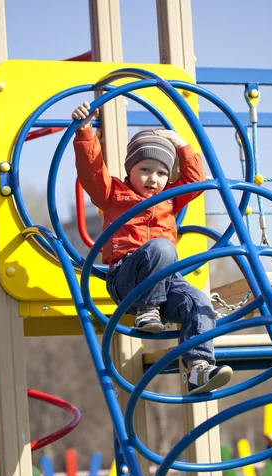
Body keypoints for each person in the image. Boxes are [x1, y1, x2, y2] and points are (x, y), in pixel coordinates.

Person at [72, 101, 233, 394]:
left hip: (165, 282)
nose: (153, 179)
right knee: (162, 248)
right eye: (145, 169)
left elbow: (196, 181)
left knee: (199, 300)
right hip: (126, 279)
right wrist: (84, 131)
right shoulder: (113, 194)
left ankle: (197, 370)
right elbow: (91, 172)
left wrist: (182, 146)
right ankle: (148, 309)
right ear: (129, 170)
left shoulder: (171, 198)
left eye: (161, 173)